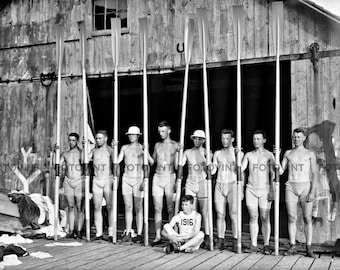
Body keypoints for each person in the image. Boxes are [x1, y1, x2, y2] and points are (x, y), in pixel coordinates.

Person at [280, 128, 317, 257]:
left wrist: (312, 192)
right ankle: (292, 246)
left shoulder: (309, 154)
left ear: (304, 138)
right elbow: (280, 171)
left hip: (305, 186)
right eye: (294, 137)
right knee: (291, 217)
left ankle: (308, 247)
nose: (296, 139)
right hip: (291, 186)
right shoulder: (288, 153)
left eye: (299, 137)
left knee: (307, 218)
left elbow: (315, 174)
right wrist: (275, 157)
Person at [117, 126, 154, 243]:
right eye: (130, 135)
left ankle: (139, 233)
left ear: (138, 136)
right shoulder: (124, 148)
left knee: (138, 207)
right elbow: (116, 161)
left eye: (134, 135)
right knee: (128, 207)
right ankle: (128, 231)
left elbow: (151, 162)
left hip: (138, 179)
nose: (131, 137)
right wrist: (113, 148)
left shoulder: (142, 148)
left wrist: (146, 151)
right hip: (127, 179)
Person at [241, 130, 274, 254]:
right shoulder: (249, 155)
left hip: (264, 190)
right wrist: (237, 155)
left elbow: (274, 173)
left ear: (264, 140)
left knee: (265, 217)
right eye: (254, 139)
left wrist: (272, 190)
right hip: (251, 189)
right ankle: (253, 245)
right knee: (253, 216)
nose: (256, 141)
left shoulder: (269, 155)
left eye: (258, 139)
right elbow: (240, 169)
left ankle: (266, 245)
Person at [212, 129, 243, 251]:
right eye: (223, 138)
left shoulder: (238, 153)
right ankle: (220, 239)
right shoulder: (217, 153)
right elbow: (213, 170)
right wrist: (208, 163)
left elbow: (238, 171)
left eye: (227, 138)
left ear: (232, 139)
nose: (225, 141)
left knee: (234, 214)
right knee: (220, 214)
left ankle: (236, 240)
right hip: (220, 184)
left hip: (232, 185)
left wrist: (236, 155)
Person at [182, 129, 210, 248]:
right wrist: (179, 152)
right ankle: (191, 236)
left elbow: (212, 171)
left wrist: (206, 159)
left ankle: (207, 236)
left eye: (199, 139)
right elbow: (179, 165)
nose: (197, 141)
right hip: (190, 183)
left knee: (204, 211)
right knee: (191, 211)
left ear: (203, 140)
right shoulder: (187, 152)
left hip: (202, 183)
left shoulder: (207, 152)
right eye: (195, 138)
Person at [151, 121, 178, 245]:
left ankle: (171, 235)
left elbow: (178, 166)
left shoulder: (175, 145)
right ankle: (157, 235)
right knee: (157, 208)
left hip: (169, 177)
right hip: (157, 177)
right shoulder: (157, 145)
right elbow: (153, 162)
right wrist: (145, 152)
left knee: (170, 208)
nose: (161, 134)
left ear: (169, 131)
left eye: (163, 131)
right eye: (159, 131)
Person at [88, 130, 114, 241]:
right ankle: (99, 233)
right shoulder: (94, 151)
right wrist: (85, 146)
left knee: (109, 207)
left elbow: (117, 164)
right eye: (97, 138)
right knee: (97, 206)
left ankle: (111, 232)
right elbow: (84, 159)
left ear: (105, 138)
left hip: (108, 179)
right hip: (96, 180)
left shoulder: (110, 150)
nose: (98, 140)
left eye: (100, 138)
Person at [60, 132, 84, 239]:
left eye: (73, 140)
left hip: (79, 180)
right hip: (68, 180)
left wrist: (84, 147)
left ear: (77, 141)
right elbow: (57, 164)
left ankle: (79, 230)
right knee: (70, 206)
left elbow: (85, 163)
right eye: (70, 140)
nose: (71, 142)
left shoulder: (81, 152)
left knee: (79, 207)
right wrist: (55, 151)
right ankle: (71, 230)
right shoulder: (65, 154)